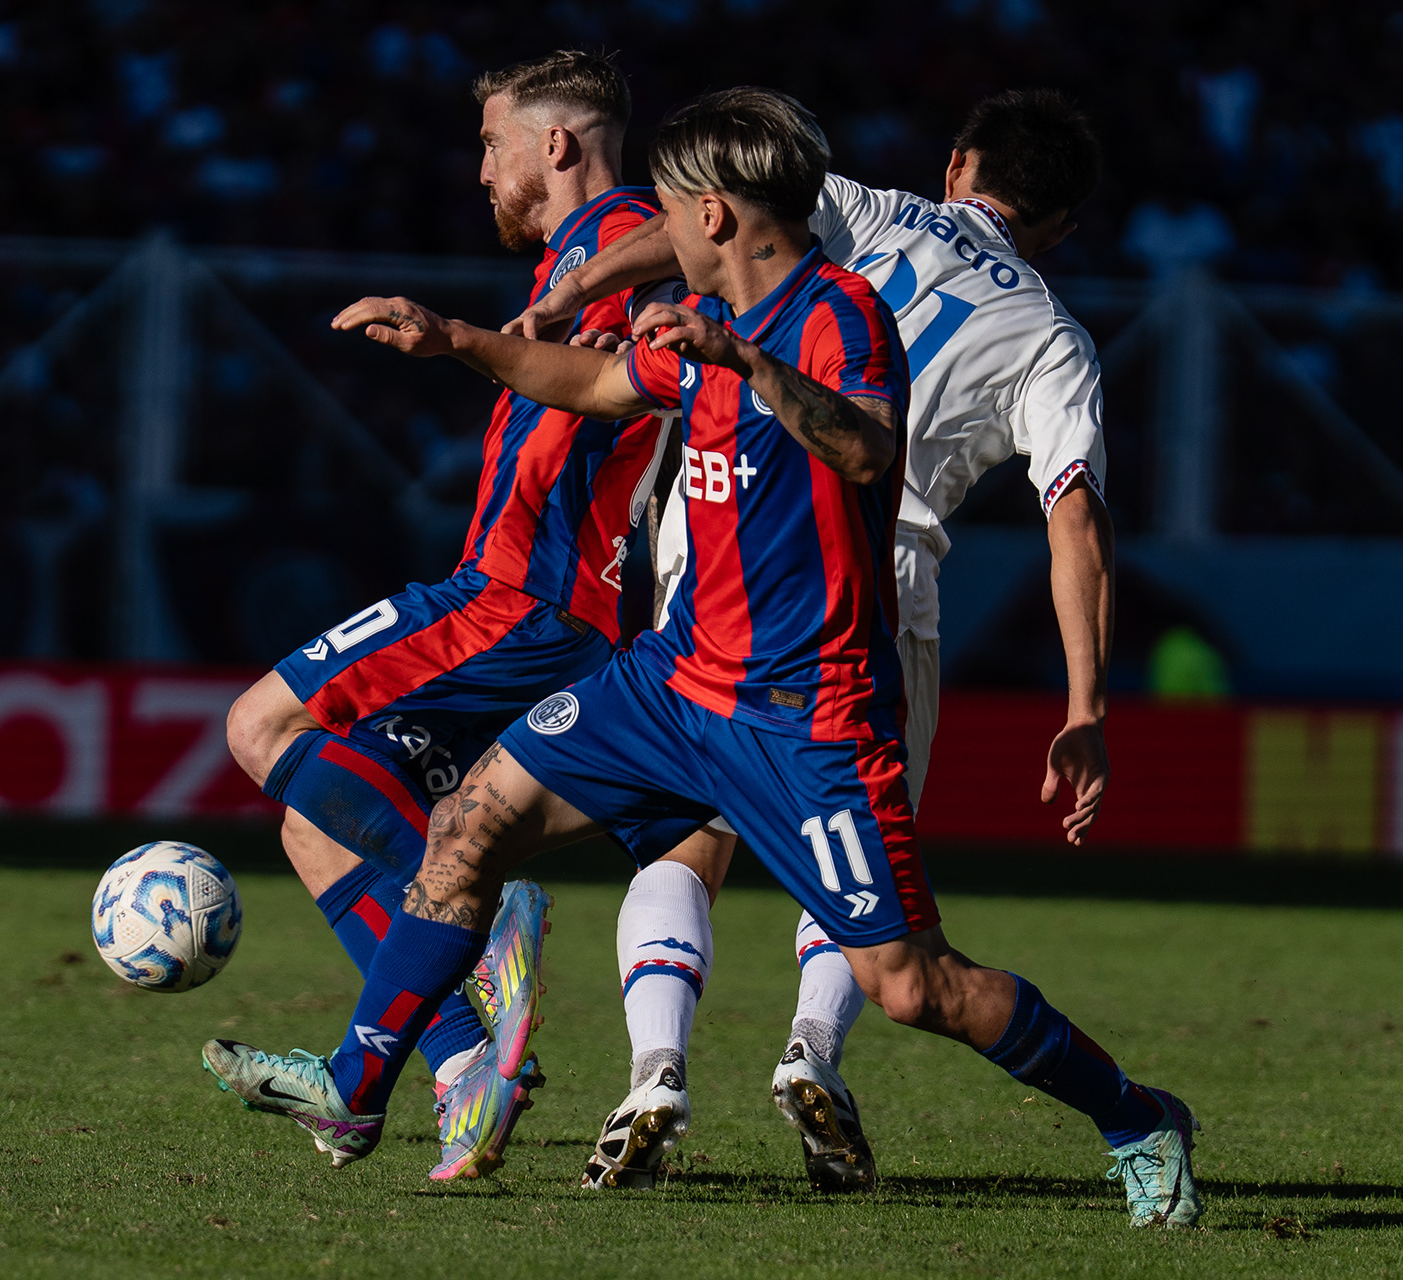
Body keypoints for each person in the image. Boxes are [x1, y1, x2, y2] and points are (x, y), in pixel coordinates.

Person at [207, 86, 1202, 1230]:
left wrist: (744, 360)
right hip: (674, 679)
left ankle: (1136, 1116)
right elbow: (590, 382)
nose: (654, 233)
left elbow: (868, 447)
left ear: (719, 216)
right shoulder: (709, 309)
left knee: (914, 984)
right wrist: (458, 341)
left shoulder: (839, 313)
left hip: (810, 712)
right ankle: (358, 1087)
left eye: (671, 213)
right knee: (469, 823)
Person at [517, 89, 1125, 1194]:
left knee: (687, 838)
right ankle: (813, 1048)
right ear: (1062, 228)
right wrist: (1084, 705)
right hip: (874, 586)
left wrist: (576, 287)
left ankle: (656, 1064)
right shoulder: (1054, 338)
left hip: (725, 535)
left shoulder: (863, 209)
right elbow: (1073, 514)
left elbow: (695, 217)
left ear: (958, 164)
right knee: (850, 868)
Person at [212, 49, 688, 1181]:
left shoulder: (629, 235)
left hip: (524, 596)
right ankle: (469, 1053)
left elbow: (701, 232)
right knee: (312, 823)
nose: (479, 170)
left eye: (492, 142)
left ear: (558, 144)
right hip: (524, 595)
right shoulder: (581, 257)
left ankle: (479, 932)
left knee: (261, 730)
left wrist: (600, 301)